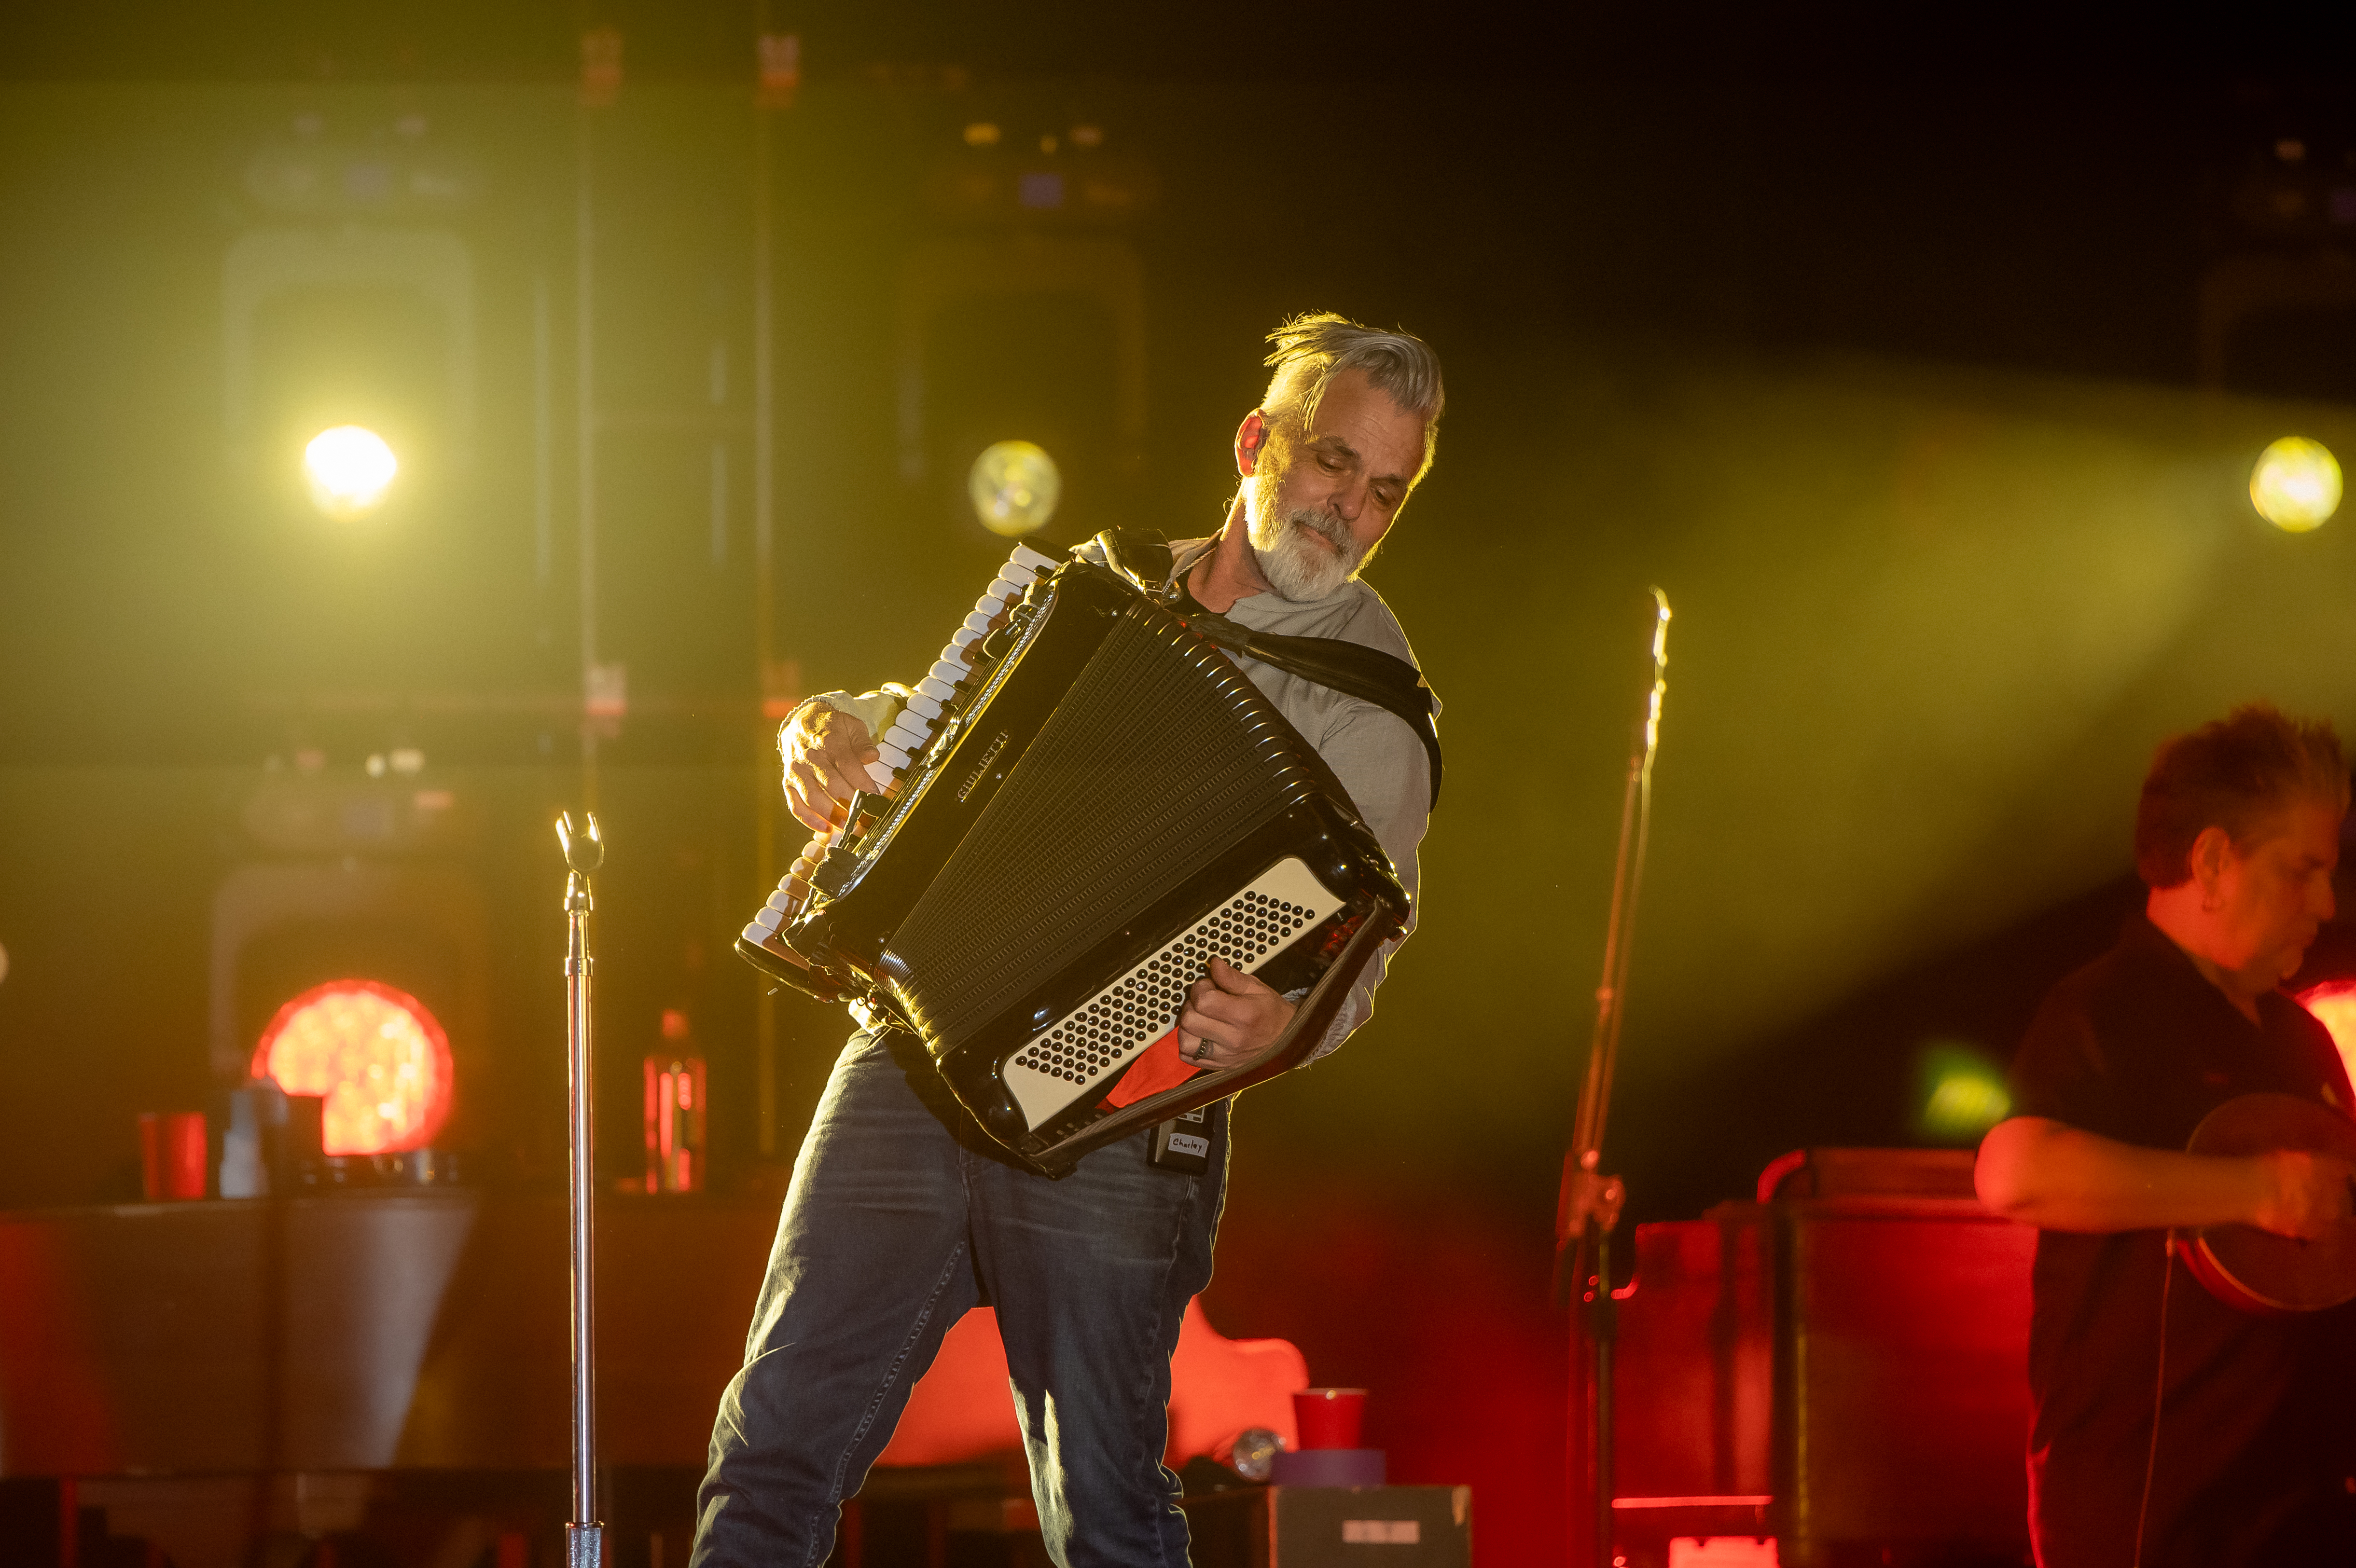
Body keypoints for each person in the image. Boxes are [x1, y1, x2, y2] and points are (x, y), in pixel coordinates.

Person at [692, 313, 1443, 1568]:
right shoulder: (1105, 581)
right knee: (771, 1441)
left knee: (1101, 1505)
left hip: (1119, 1099)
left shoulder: (1377, 715)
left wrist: (1284, 1018)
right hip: (917, 1045)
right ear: (1258, 441)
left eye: (1384, 491)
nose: (1347, 509)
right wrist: (835, 724)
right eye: (1329, 462)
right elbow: (944, 722)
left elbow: (1357, 950)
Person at [1975, 703, 2356, 1567]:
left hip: (2302, 1517)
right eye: (2301, 870)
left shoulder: (2297, 1041)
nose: (2326, 901)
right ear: (2213, 861)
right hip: (2158, 1523)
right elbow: (2013, 1171)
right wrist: (2255, 1191)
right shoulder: (2106, 1009)